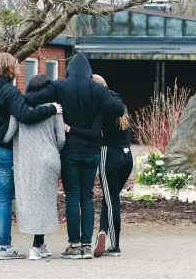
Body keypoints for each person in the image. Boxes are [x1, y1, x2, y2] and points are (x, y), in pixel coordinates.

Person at [24, 53, 125, 260]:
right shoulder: (97, 89)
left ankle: (74, 245)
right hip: (92, 152)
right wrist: (103, 99)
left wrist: (52, 105)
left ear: (69, 70)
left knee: (72, 196)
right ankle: (87, 245)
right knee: (87, 196)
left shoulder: (60, 86)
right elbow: (118, 109)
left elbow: (31, 97)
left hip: (70, 151)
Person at [0, 53, 61, 260]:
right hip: (3, 151)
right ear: (11, 69)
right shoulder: (11, 92)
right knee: (3, 200)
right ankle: (3, 248)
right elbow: (25, 116)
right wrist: (51, 108)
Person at [91, 74, 134, 257]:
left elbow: (94, 131)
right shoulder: (118, 100)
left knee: (112, 200)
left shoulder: (101, 108)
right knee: (110, 198)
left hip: (110, 156)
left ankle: (114, 245)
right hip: (127, 156)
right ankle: (102, 231)